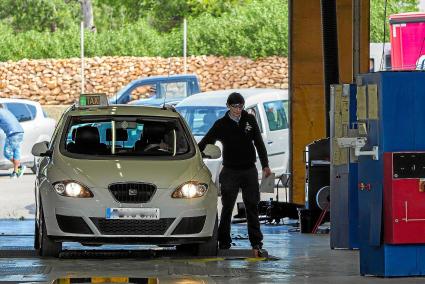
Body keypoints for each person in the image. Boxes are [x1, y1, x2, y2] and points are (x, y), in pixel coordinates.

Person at [198, 92, 272, 257]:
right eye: (235, 107)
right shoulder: (221, 124)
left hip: (249, 170)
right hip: (230, 170)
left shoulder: (249, 120)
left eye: (240, 106)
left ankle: (256, 242)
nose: (238, 110)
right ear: (228, 106)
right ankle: (224, 241)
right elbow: (205, 141)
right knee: (227, 207)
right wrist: (196, 156)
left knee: (252, 206)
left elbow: (259, 143)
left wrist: (265, 165)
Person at [0, 104, 26, 178]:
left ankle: (20, 166)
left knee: (7, 153)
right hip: (20, 132)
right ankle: (16, 172)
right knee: (16, 152)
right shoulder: (6, 111)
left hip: (12, 133)